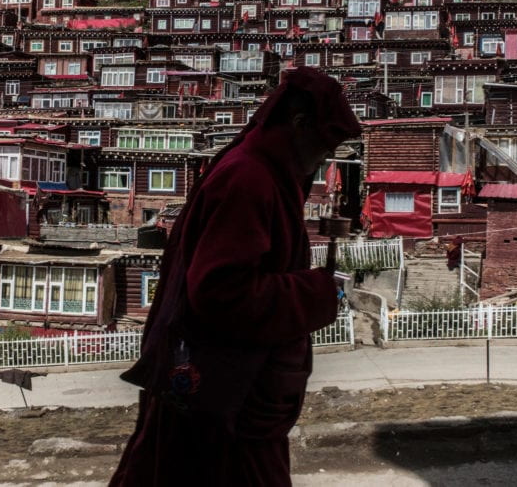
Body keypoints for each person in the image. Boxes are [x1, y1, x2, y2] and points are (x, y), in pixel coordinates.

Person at [110, 67, 362, 486]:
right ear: (299, 125)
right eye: (325, 143)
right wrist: (317, 294)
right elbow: (221, 291)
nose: (324, 158)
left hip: (234, 396)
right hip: (226, 402)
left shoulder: (266, 174)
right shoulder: (250, 180)